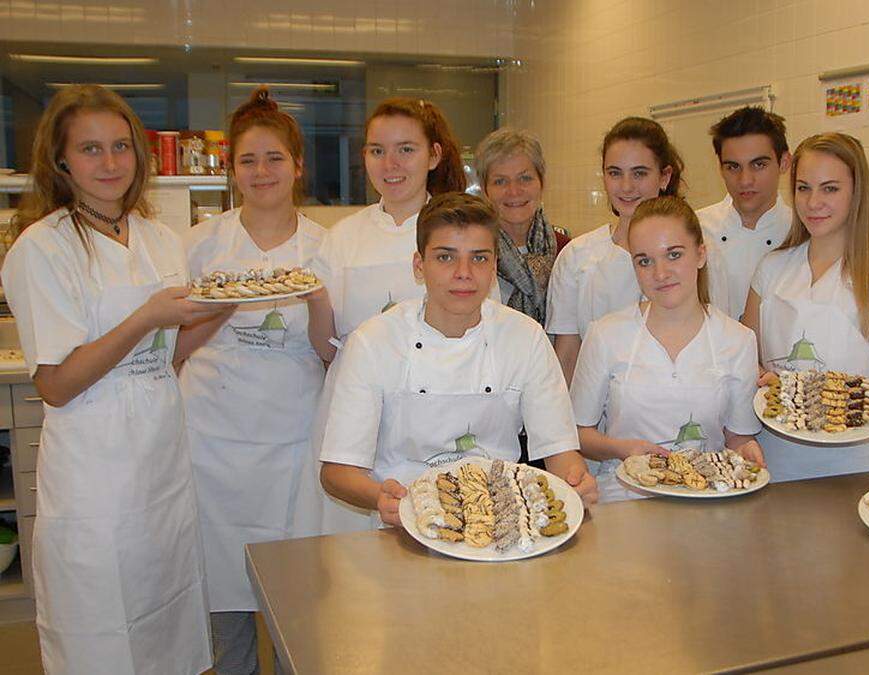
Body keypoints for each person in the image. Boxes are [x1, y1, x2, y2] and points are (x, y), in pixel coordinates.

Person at [1, 84, 222, 674]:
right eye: (91, 149)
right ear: (61, 160)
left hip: (160, 457)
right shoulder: (42, 249)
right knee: (101, 625)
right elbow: (57, 384)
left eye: (121, 147)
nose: (110, 163)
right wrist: (147, 315)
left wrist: (225, 306)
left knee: (168, 610)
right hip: (94, 471)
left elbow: (168, 353)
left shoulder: (156, 238)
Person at [319, 192, 598, 524]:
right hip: (406, 520)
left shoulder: (525, 338)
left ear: (494, 266)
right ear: (419, 266)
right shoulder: (374, 342)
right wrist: (380, 496)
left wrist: (575, 481)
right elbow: (337, 471)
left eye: (479, 258)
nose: (464, 273)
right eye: (445, 258)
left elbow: (559, 450)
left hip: (499, 520)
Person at [174, 87, 325, 675]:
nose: (261, 172)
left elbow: (333, 353)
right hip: (209, 441)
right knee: (219, 597)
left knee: (295, 593)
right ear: (231, 169)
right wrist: (216, 311)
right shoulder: (198, 245)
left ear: (298, 166)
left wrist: (318, 302)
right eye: (247, 160)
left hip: (293, 443)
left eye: (275, 159)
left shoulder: (325, 248)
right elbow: (170, 353)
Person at [302, 98, 477, 534]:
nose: (390, 163)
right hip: (353, 408)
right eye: (377, 150)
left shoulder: (457, 230)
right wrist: (313, 299)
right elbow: (325, 348)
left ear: (433, 156)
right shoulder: (342, 238)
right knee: (350, 556)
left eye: (406, 149)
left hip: (436, 405)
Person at [743, 132, 869, 481]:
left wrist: (817, 399)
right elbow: (747, 356)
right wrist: (766, 380)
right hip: (773, 457)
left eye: (830, 189)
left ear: (857, 193)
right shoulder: (772, 268)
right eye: (803, 188)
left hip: (851, 464)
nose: (813, 202)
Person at [571, 196, 764, 503]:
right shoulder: (606, 334)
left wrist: (746, 450)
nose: (659, 273)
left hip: (706, 499)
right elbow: (579, 434)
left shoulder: (737, 340)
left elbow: (737, 436)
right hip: (624, 501)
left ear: (701, 254)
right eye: (644, 261)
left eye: (673, 255)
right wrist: (624, 450)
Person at [546, 116, 730, 384]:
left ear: (664, 176)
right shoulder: (578, 257)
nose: (626, 186)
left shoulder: (702, 255)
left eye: (640, 173)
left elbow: (718, 341)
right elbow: (568, 355)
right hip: (597, 414)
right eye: (615, 173)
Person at [697, 106, 792, 321]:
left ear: (784, 162)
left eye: (758, 165)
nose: (745, 180)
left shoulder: (802, 232)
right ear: (720, 168)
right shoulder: (694, 229)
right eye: (733, 167)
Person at [474, 127, 571, 326]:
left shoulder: (567, 252)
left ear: (541, 183)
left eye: (525, 178)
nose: (514, 191)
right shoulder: (473, 253)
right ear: (485, 190)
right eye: (500, 181)